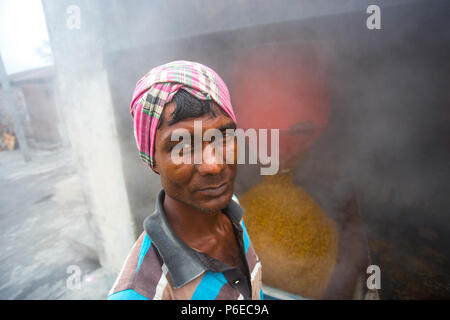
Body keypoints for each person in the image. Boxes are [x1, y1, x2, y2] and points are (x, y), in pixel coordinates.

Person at [107, 60, 263, 300]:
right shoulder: (139, 292)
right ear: (153, 159)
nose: (214, 165)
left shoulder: (231, 212)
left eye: (223, 136)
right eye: (182, 146)